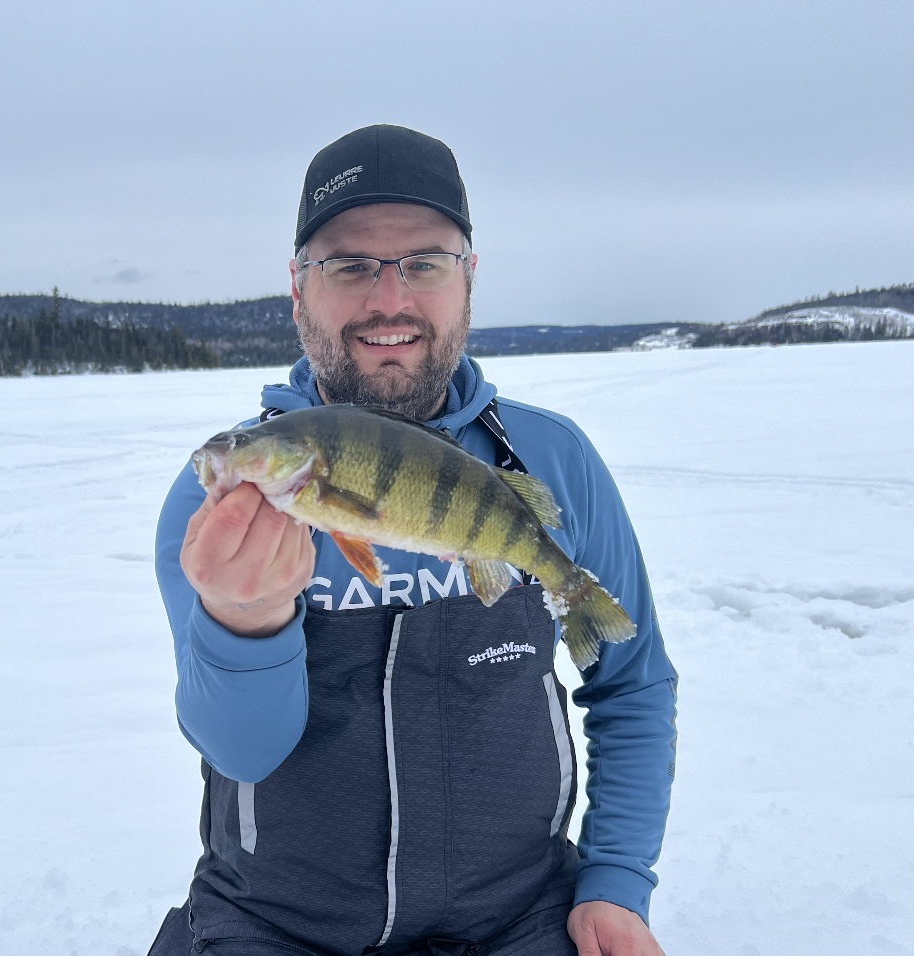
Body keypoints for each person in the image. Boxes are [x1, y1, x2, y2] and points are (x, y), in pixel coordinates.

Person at [151, 125, 677, 956]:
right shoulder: (225, 500)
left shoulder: (553, 458)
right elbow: (243, 751)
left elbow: (633, 685)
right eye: (349, 265)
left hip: (521, 919)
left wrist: (616, 881)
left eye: (424, 263)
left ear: (468, 281)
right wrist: (243, 618)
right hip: (275, 926)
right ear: (298, 291)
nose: (387, 299)